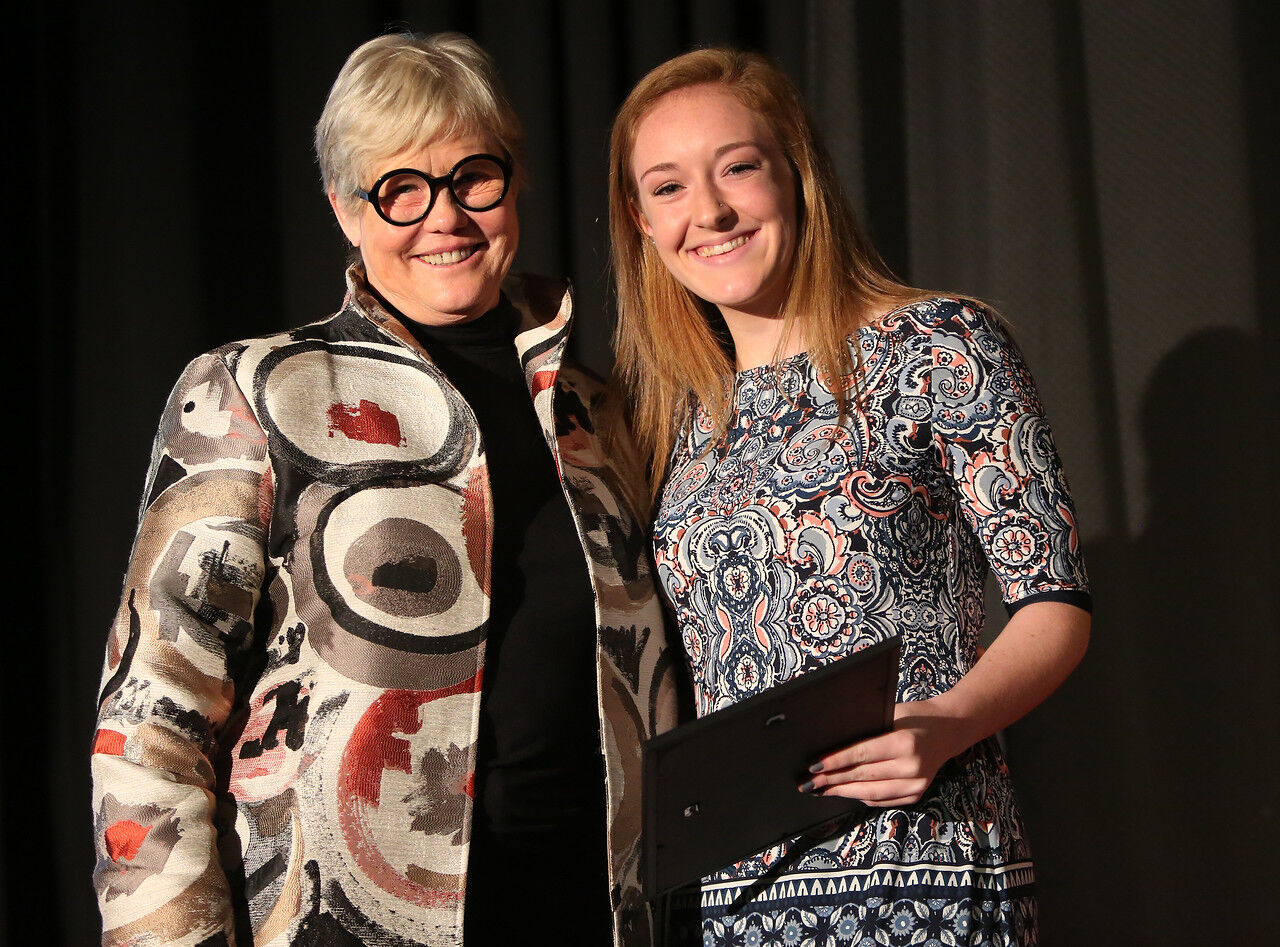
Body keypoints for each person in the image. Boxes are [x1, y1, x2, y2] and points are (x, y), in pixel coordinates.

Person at [91, 32, 678, 946]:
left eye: (473, 177)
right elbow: (150, 718)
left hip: (592, 909)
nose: (444, 218)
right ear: (344, 209)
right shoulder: (255, 390)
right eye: (400, 188)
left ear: (513, 182)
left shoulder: (597, 416)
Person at [608, 48, 1091, 946]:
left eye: (738, 168)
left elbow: (1055, 603)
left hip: (927, 863)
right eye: (667, 188)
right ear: (639, 220)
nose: (708, 212)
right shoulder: (664, 418)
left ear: (796, 172)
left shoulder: (939, 344)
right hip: (734, 900)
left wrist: (949, 723)